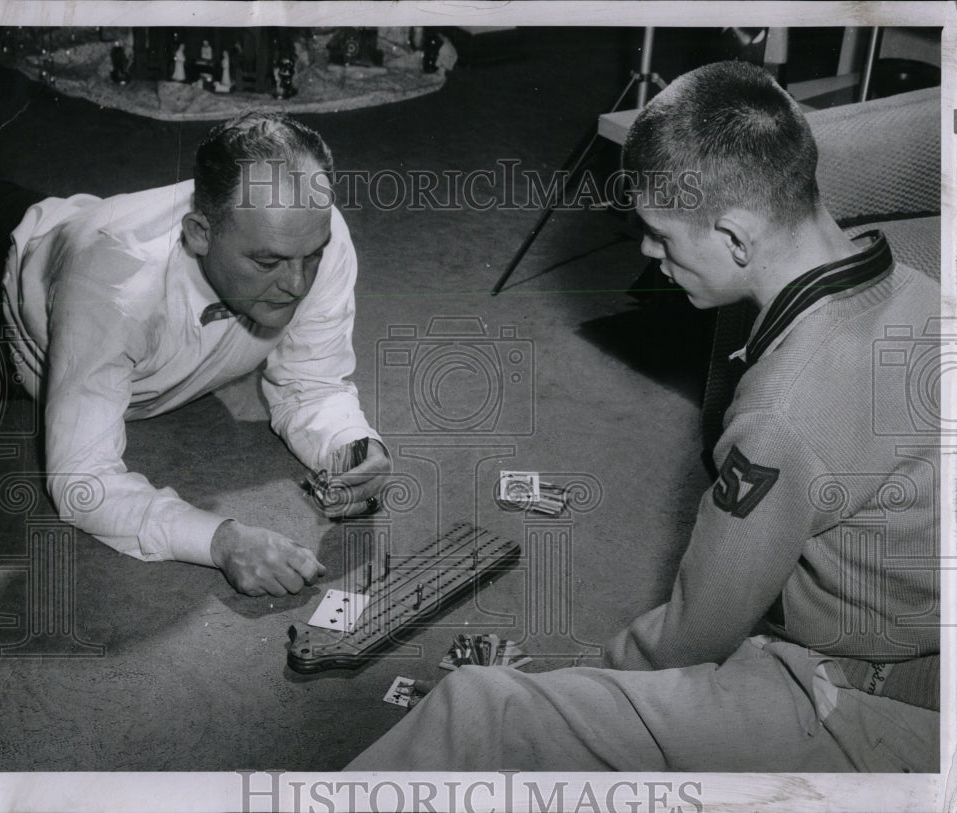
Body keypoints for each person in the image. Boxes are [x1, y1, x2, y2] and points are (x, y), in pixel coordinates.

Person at [345, 61, 940, 772]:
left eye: (660, 233)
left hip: (871, 689)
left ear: (735, 238)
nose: (648, 253)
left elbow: (694, 633)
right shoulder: (923, 289)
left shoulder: (782, 411)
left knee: (479, 710)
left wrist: (584, 679)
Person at [0, 112, 390, 597]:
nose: (297, 284)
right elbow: (82, 482)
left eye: (311, 257)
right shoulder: (115, 284)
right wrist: (221, 540)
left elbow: (313, 384)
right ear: (199, 232)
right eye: (267, 263)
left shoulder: (307, 234)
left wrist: (352, 445)